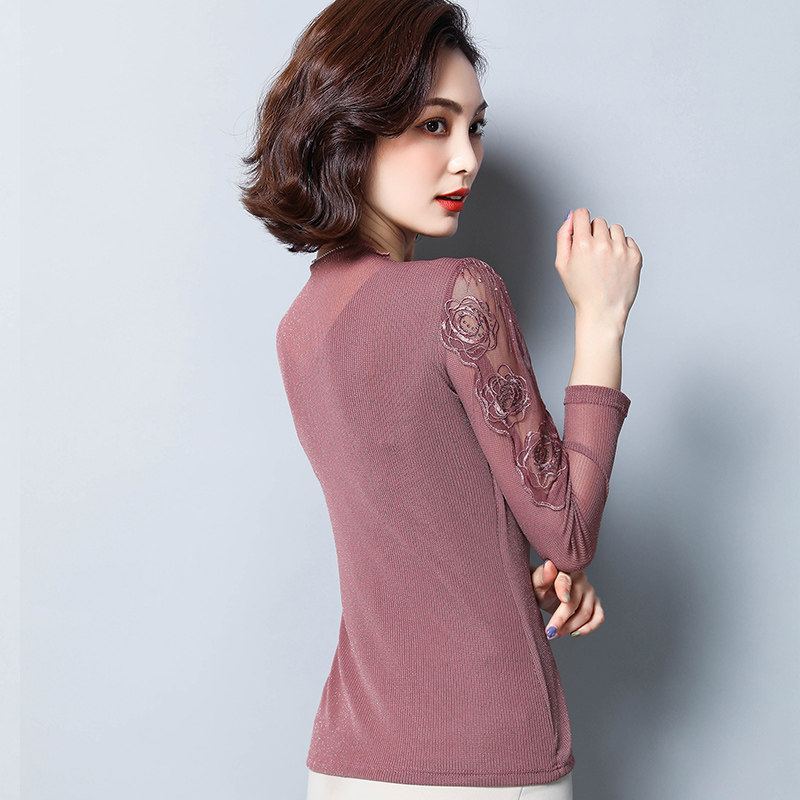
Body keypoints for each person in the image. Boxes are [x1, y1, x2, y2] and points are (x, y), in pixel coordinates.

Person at [238, 0, 642, 797]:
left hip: (347, 759)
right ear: (354, 124)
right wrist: (601, 321)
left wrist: (520, 573)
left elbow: (424, 516)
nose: (466, 159)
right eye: (434, 125)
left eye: (475, 128)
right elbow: (567, 529)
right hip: (481, 755)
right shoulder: (458, 292)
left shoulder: (298, 328)